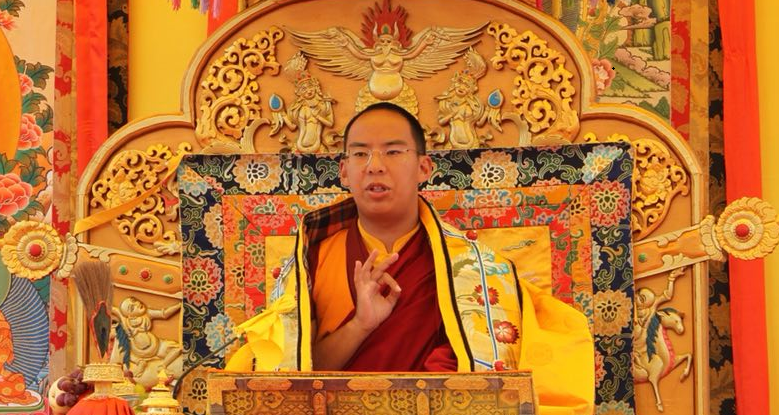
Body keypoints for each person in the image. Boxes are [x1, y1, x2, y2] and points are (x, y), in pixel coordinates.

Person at [231, 102, 594, 415]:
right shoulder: (311, 261)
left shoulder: (479, 270)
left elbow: (493, 385)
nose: (374, 165)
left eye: (393, 151)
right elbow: (295, 375)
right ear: (344, 171)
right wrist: (360, 326)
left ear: (423, 168)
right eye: (360, 153)